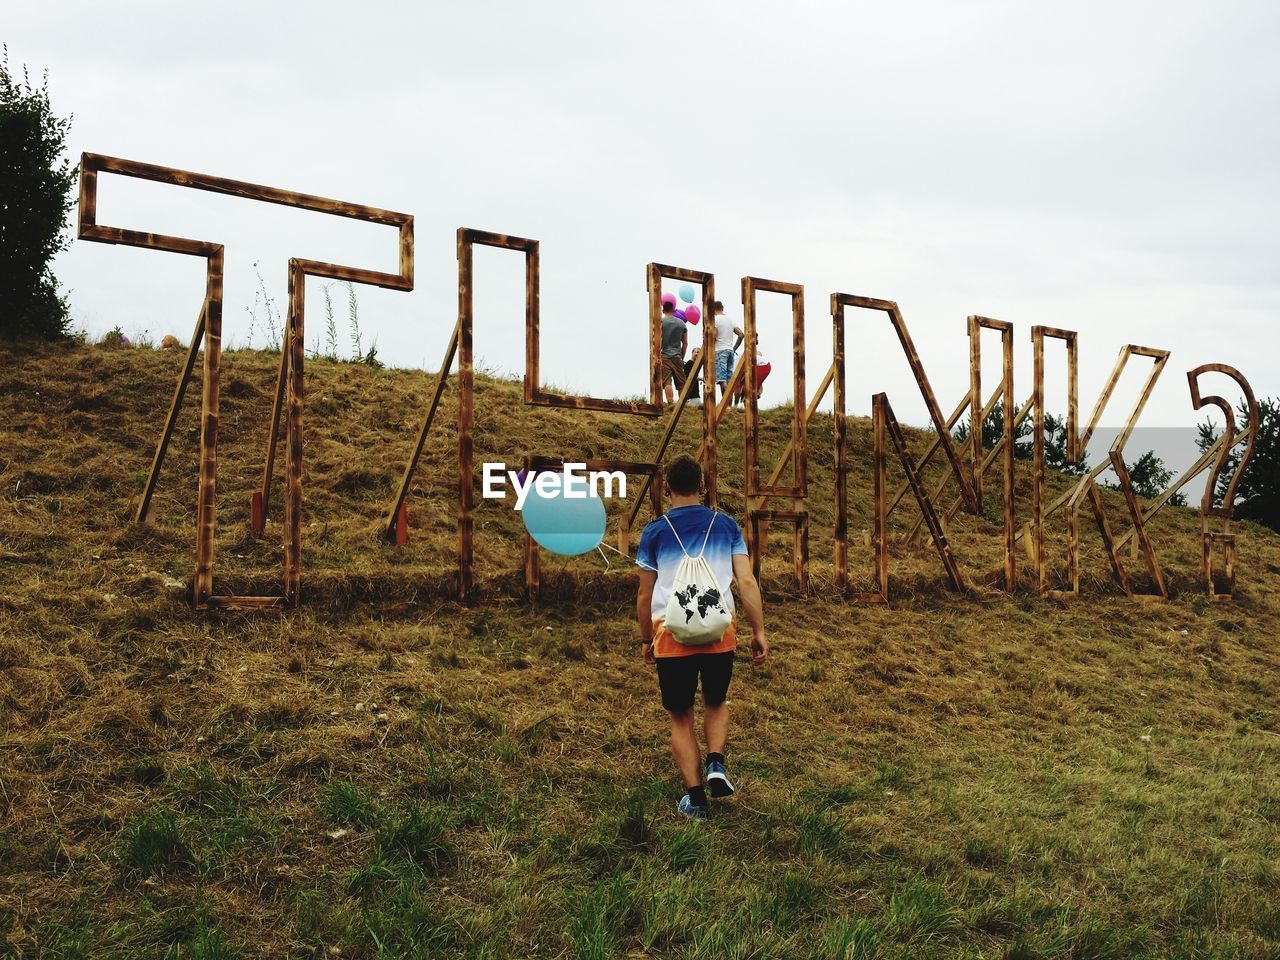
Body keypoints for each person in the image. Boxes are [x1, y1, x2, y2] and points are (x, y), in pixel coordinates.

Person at [636, 454, 768, 820]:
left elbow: (645, 595)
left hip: (670, 632)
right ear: (703, 486)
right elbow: (745, 581)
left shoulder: (655, 532)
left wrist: (647, 638)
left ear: (665, 489)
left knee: (680, 717)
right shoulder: (725, 526)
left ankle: (695, 801)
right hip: (719, 631)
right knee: (716, 701)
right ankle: (716, 762)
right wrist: (759, 631)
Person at [711, 301, 744, 402]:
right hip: (730, 351)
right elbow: (741, 334)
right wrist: (734, 348)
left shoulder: (715, 320)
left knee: (721, 379)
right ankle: (728, 406)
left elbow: (714, 336)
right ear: (722, 308)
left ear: (713, 309)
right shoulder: (730, 320)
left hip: (720, 351)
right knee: (729, 380)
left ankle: (725, 405)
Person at [660, 300, 687, 405]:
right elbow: (685, 343)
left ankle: (670, 403)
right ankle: (682, 405)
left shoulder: (660, 322)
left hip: (664, 355)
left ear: (663, 310)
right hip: (677, 356)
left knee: (667, 381)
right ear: (673, 310)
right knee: (681, 382)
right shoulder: (681, 324)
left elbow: (656, 340)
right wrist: (682, 357)